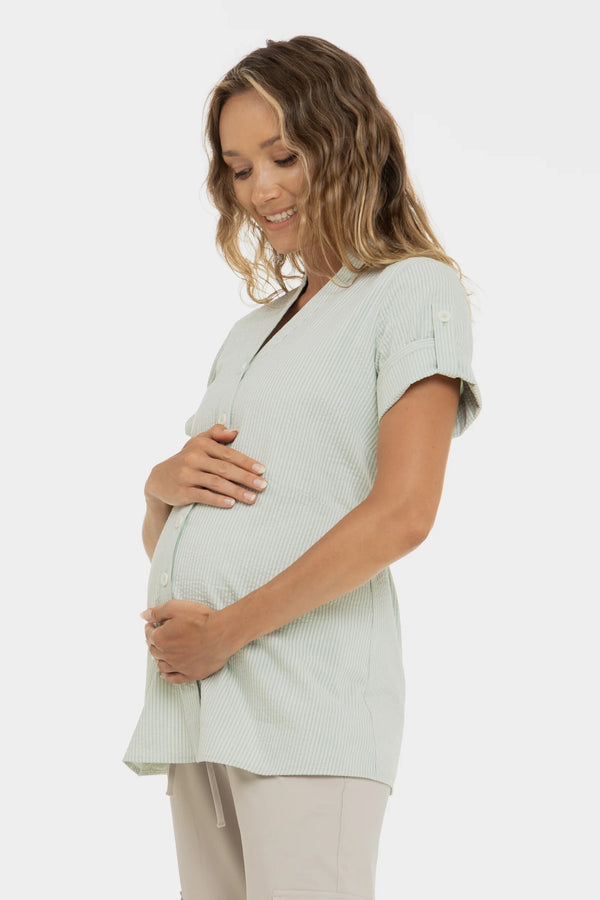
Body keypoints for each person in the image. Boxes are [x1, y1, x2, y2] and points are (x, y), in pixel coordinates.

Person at [124, 35, 482, 900]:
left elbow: (404, 513)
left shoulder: (413, 290)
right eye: (239, 169)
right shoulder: (252, 332)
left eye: (284, 156)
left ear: (348, 142)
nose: (262, 190)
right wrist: (159, 488)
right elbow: (184, 537)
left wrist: (227, 630)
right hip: (202, 711)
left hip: (307, 712)